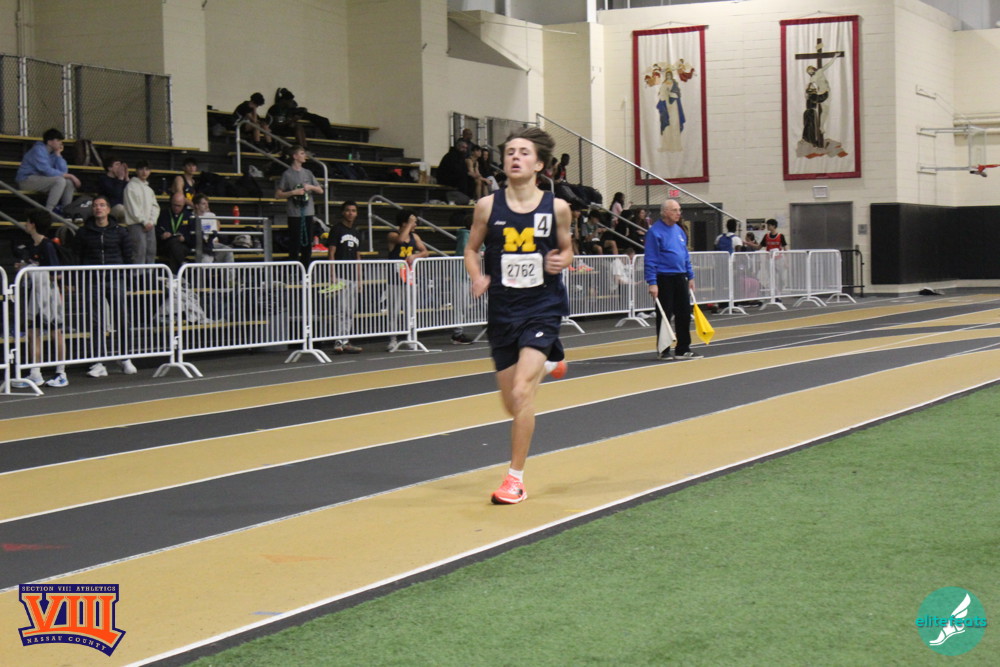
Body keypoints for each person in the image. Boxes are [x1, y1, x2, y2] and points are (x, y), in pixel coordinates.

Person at [464, 126, 573, 505]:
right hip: (503, 311)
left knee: (523, 391)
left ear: (539, 164)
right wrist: (477, 277)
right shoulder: (487, 206)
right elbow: (471, 249)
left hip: (542, 307)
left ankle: (515, 480)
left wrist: (562, 260)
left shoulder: (557, 207)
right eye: (510, 151)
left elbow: (567, 248)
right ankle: (549, 362)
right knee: (512, 402)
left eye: (524, 152)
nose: (515, 157)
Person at [74, 195, 137, 377]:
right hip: (93, 280)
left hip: (115, 278)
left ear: (108, 209)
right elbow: (77, 255)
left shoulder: (120, 231)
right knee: (96, 321)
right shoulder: (84, 232)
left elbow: (128, 256)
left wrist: (128, 277)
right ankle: (98, 361)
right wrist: (79, 279)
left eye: (102, 205)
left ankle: (125, 357)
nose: (98, 208)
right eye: (95, 205)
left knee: (122, 318)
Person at [13, 210, 68, 387]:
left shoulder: (47, 245)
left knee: (55, 332)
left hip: (49, 295)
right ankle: (35, 373)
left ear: (33, 224)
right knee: (32, 332)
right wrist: (25, 267)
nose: (26, 225)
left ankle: (61, 372)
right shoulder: (32, 245)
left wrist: (34, 270)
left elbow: (55, 274)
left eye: (28, 222)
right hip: (35, 296)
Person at [644, 199, 701, 361]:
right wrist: (652, 282)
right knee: (665, 314)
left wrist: (690, 275)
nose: (678, 213)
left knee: (684, 313)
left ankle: (683, 348)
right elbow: (650, 258)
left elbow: (685, 255)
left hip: (680, 276)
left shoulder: (679, 231)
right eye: (675, 210)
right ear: (665, 212)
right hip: (664, 277)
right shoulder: (655, 232)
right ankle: (664, 349)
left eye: (679, 210)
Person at [386, 208, 430, 346]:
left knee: (410, 309)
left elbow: (425, 252)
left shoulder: (414, 237)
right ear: (404, 223)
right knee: (394, 309)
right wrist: (409, 224)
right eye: (413, 222)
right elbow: (400, 240)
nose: (415, 225)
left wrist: (415, 256)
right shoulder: (392, 234)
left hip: (409, 277)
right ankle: (392, 338)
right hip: (395, 278)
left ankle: (410, 336)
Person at [275, 144, 324, 265]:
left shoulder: (308, 173)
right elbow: (278, 194)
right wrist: (293, 192)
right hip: (294, 213)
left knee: (307, 242)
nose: (305, 156)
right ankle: (294, 267)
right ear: (295, 156)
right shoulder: (287, 174)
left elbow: (320, 190)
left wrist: (310, 187)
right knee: (295, 242)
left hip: (308, 212)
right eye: (302, 153)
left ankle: (306, 268)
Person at [326, 200, 363, 354]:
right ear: (343, 212)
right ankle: (338, 341)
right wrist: (332, 274)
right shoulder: (336, 229)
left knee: (349, 310)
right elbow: (331, 252)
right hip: (340, 275)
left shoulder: (356, 232)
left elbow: (358, 256)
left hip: (352, 276)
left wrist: (360, 279)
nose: (350, 213)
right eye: (348, 210)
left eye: (353, 211)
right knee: (340, 309)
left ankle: (346, 340)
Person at [15, 128, 81, 213]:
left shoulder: (53, 153)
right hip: (26, 180)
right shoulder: (38, 149)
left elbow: (64, 171)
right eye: (58, 140)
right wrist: (71, 176)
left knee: (69, 182)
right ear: (49, 142)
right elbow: (45, 170)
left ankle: (66, 211)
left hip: (42, 179)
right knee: (60, 181)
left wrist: (58, 154)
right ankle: (48, 212)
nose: (61, 143)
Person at [122, 160, 159, 264]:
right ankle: (138, 273)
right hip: (136, 224)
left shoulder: (149, 189)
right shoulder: (130, 187)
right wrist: (144, 221)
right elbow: (133, 208)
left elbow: (155, 207)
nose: (144, 172)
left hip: (150, 224)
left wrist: (151, 221)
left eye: (147, 169)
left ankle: (149, 273)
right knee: (139, 252)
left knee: (151, 251)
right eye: (141, 169)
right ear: (136, 171)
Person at [156, 192, 195, 273]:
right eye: (174, 205)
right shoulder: (163, 214)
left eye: (179, 206)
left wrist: (184, 238)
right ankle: (182, 264)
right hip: (165, 245)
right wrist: (162, 235)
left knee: (175, 248)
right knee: (173, 244)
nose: (176, 208)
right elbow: (157, 230)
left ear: (183, 205)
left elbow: (193, 236)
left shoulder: (189, 216)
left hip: (183, 246)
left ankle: (174, 274)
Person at [192, 194, 233, 263]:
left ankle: (230, 270)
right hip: (199, 244)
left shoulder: (211, 215)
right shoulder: (191, 216)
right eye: (204, 204)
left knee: (228, 250)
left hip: (212, 243)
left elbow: (214, 233)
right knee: (207, 258)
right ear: (197, 205)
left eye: (207, 204)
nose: (207, 206)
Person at [98, 157, 129, 221]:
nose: (120, 168)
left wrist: (126, 177)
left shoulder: (122, 180)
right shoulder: (103, 180)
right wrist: (120, 178)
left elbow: (130, 194)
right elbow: (115, 194)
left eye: (121, 165)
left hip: (124, 209)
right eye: (117, 165)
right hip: (109, 210)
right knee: (120, 208)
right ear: (110, 168)